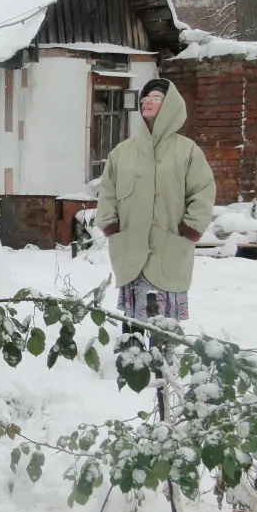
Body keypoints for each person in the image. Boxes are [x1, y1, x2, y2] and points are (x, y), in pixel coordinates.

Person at [95, 78, 216, 332]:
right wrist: (110, 224)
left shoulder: (188, 151)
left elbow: (203, 191)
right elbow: (107, 192)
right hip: (132, 244)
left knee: (165, 325)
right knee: (133, 324)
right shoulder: (122, 152)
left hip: (169, 244)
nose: (147, 102)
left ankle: (163, 356)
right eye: (145, 98)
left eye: (156, 98)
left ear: (170, 105)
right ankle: (131, 353)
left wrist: (191, 227)